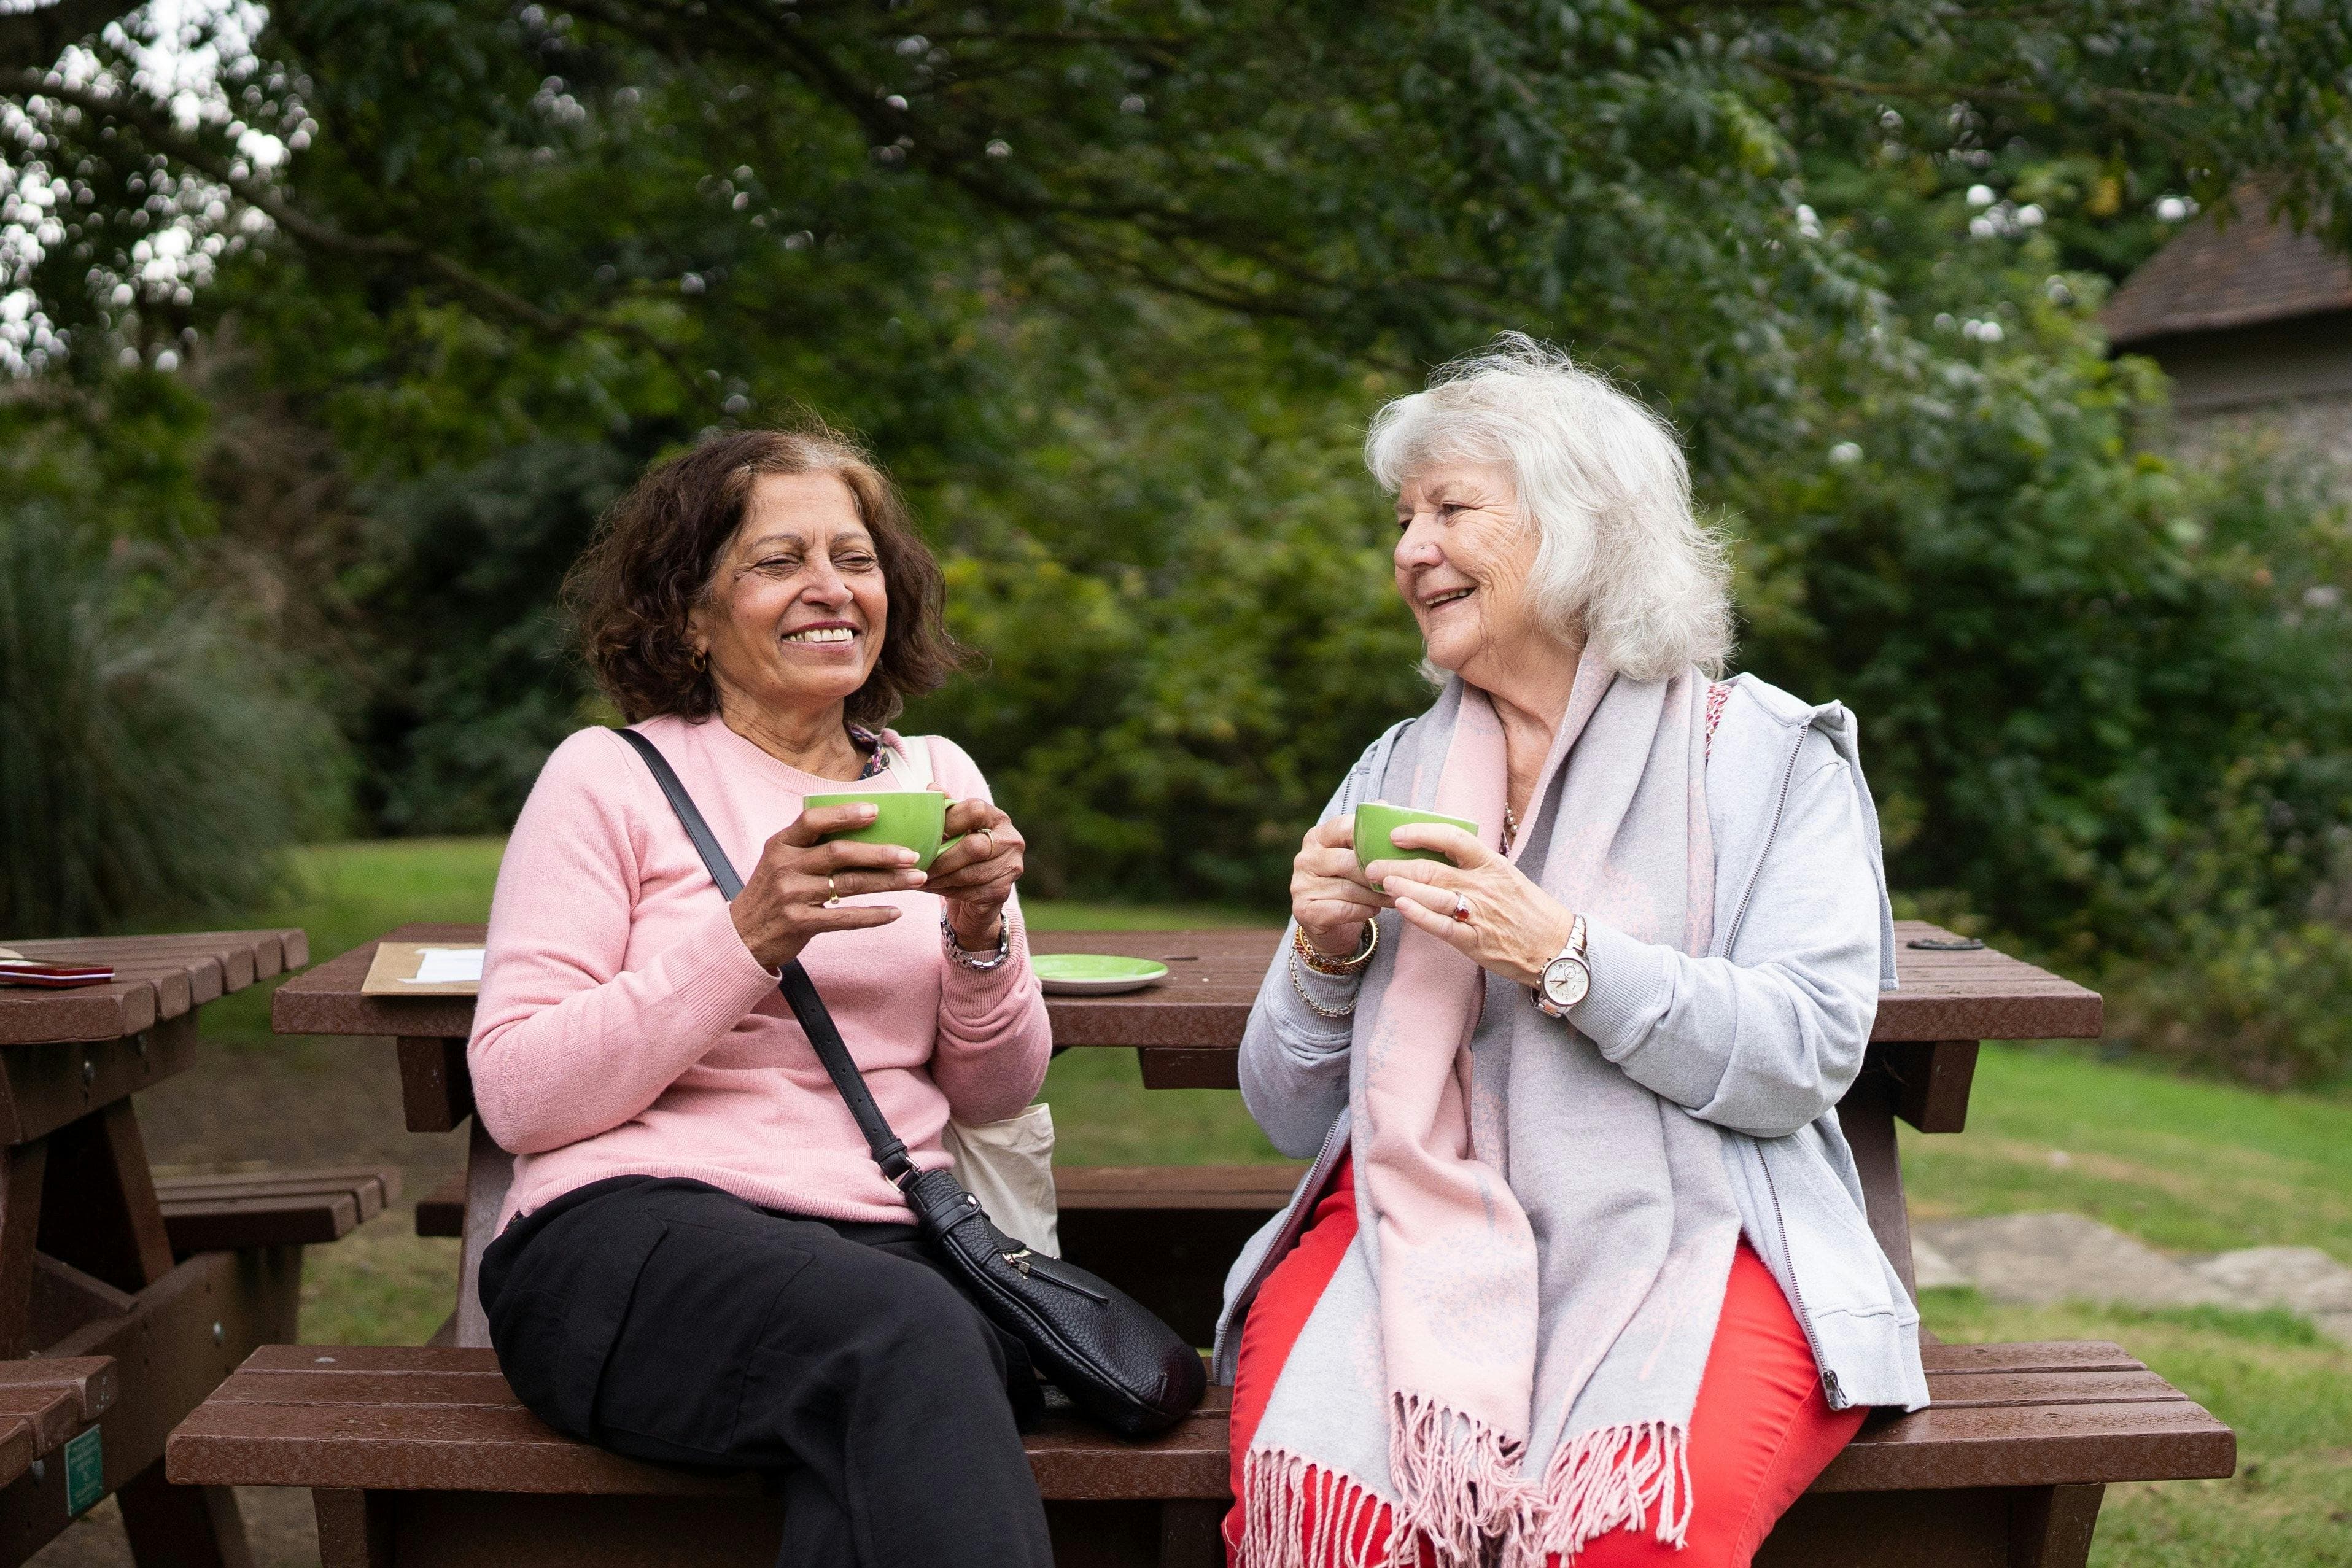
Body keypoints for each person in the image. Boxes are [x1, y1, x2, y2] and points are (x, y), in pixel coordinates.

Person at [1216, 337, 1928, 1568]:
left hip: (1705, 1226)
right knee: (1343, 1526)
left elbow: (1801, 1052)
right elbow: (1285, 1112)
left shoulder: (1763, 755)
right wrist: (1322, 952)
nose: (1406, 550)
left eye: (1449, 510)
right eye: (1401, 518)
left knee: (1623, 1541)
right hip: (1409, 1232)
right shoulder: (1391, 775)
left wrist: (1565, 954)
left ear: (1578, 526)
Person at [467, 425, 1055, 1568]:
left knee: (890, 1405)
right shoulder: (610, 777)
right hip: (629, 1236)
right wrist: (747, 936)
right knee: (913, 1346)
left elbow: (996, 1085)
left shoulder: (941, 777)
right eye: (777, 561)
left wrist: (982, 934)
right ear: (690, 612)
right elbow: (520, 1096)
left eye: (856, 556)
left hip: (891, 1243)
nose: (829, 588)